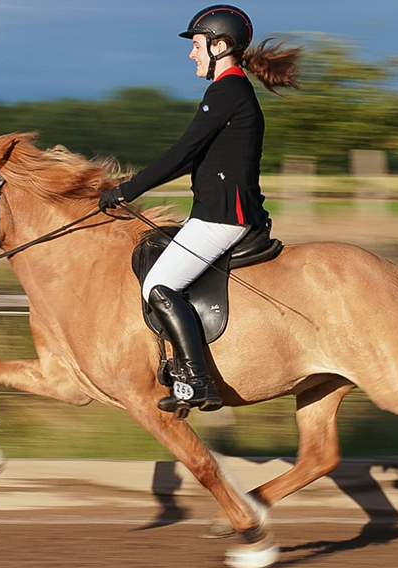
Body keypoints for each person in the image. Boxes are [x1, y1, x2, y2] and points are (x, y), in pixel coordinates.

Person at [99, 5, 301, 414]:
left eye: (196, 45)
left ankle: (196, 380)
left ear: (220, 45)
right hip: (217, 213)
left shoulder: (227, 91)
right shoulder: (230, 91)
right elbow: (193, 157)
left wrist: (127, 190)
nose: (191, 54)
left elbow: (183, 152)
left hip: (223, 218)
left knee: (158, 285)